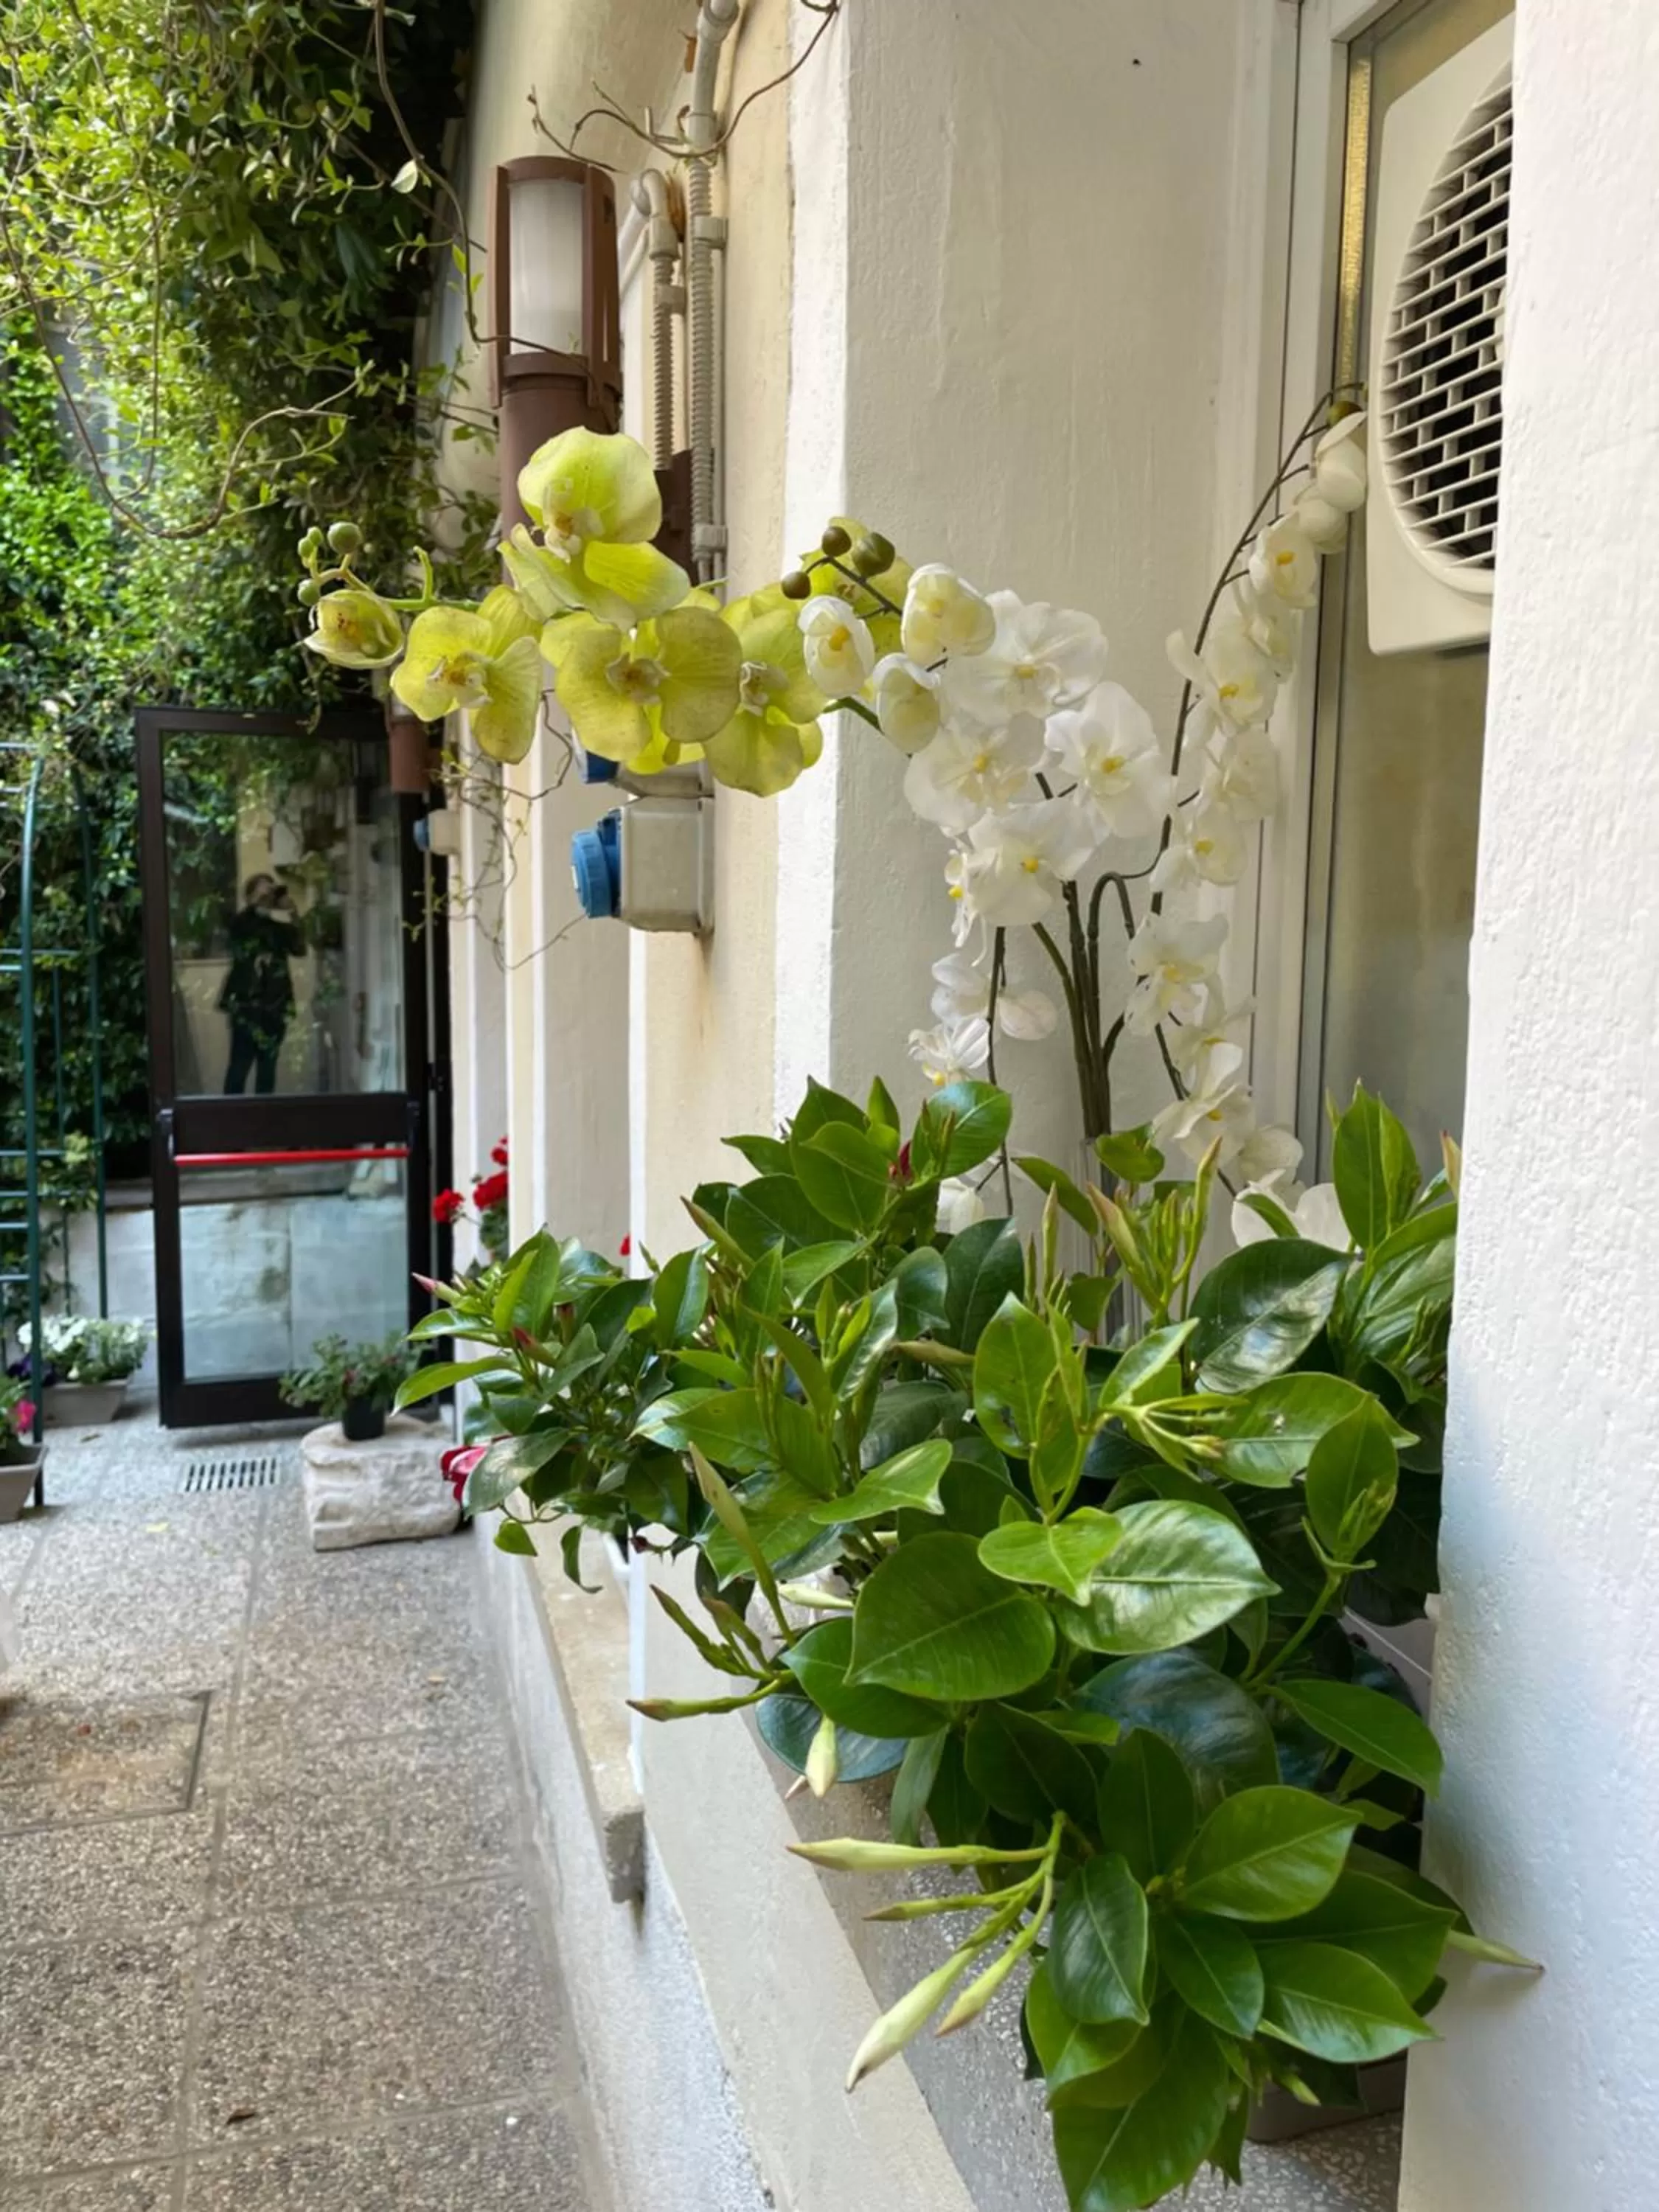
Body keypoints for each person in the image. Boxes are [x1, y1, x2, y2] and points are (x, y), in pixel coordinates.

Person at [220, 874, 303, 1094]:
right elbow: (237, 930)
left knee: (267, 1071)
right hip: (245, 1007)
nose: (268, 896)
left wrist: (292, 911)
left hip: (275, 1007)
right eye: (262, 891)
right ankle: (231, 1114)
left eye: (271, 892)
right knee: (239, 1069)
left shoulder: (278, 929)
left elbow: (299, 949)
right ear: (249, 897)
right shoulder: (241, 924)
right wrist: (257, 903)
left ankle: (264, 1115)